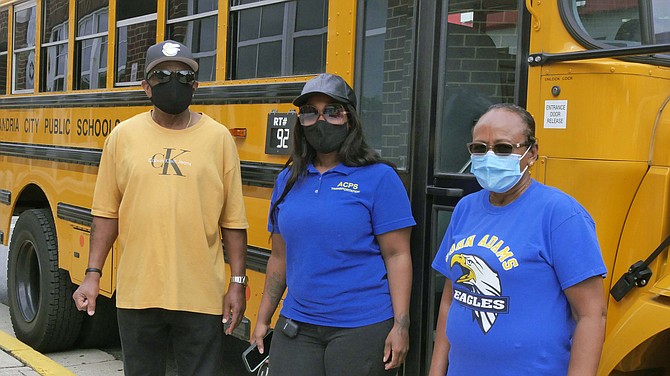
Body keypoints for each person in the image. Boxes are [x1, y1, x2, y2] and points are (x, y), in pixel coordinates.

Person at [72, 40, 249, 376]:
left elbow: (233, 220)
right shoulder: (122, 137)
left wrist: (237, 282)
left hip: (200, 296)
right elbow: (106, 213)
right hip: (138, 294)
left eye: (184, 76)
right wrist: (92, 275)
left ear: (195, 86)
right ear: (146, 86)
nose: (174, 81)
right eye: (163, 74)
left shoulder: (219, 138)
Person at [251, 73, 415, 375]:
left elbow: (397, 255)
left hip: (361, 328)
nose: (320, 120)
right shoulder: (287, 180)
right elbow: (279, 256)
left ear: (350, 119)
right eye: (310, 112)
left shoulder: (379, 178)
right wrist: (264, 317)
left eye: (332, 111)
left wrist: (401, 325)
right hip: (296, 326)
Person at [428, 103, 607, 376]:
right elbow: (450, 301)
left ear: (531, 153)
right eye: (479, 148)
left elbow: (591, 315)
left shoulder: (560, 214)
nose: (489, 157)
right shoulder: (466, 208)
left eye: (502, 148)